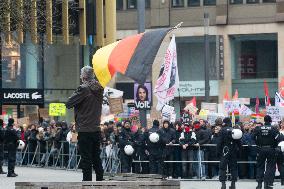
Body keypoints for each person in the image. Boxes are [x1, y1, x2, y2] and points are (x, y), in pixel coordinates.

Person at [66, 65, 104, 181]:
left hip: (85, 129)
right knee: (96, 157)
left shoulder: (83, 88)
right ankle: (100, 182)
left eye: (81, 75)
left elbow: (69, 103)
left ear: (83, 76)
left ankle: (87, 183)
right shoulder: (99, 88)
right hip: (96, 129)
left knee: (86, 158)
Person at [253, 115, 281, 189]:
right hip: (271, 149)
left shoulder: (258, 128)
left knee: (260, 166)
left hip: (261, 149)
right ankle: (267, 184)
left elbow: (252, 137)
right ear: (270, 120)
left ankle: (259, 184)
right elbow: (279, 139)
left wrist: (257, 144)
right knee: (270, 167)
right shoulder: (273, 129)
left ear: (264, 121)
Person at [217, 117, 242, 189]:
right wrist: (240, 152)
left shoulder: (222, 130)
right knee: (234, 167)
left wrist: (218, 152)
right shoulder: (234, 130)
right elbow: (239, 142)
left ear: (224, 123)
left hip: (225, 151)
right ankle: (233, 184)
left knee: (222, 168)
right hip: (233, 151)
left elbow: (219, 142)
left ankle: (223, 184)